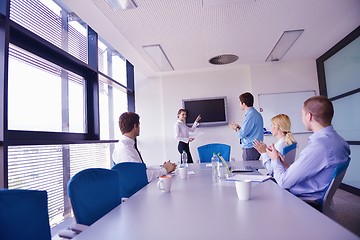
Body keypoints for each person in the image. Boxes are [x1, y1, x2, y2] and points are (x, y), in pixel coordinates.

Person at [266, 96, 350, 201]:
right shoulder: (340, 141)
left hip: (302, 200)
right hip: (315, 193)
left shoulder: (319, 147)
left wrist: (274, 159)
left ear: (309, 116)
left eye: (302, 115)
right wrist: (286, 166)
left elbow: (283, 182)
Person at [112, 112, 176, 182]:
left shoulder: (125, 145)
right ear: (135, 126)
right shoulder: (125, 150)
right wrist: (165, 170)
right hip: (137, 191)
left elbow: (141, 169)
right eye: (139, 125)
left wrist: (161, 167)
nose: (139, 128)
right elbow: (142, 176)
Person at [229, 92, 264, 161]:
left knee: (248, 171)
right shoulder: (256, 114)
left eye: (240, 102)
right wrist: (239, 128)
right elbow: (250, 131)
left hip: (250, 149)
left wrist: (235, 128)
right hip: (254, 148)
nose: (239, 104)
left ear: (243, 104)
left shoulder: (250, 115)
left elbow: (241, 134)